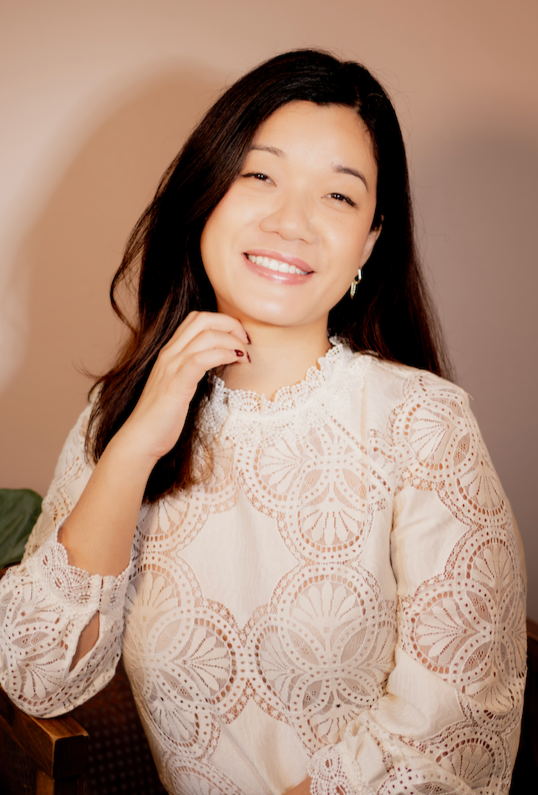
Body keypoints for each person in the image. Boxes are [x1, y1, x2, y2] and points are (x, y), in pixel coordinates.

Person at [0, 49, 526, 795]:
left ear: (369, 246)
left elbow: (450, 736)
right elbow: (38, 676)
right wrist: (133, 448)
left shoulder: (423, 424)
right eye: (260, 175)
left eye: (339, 197)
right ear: (206, 194)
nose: (292, 221)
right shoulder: (122, 417)